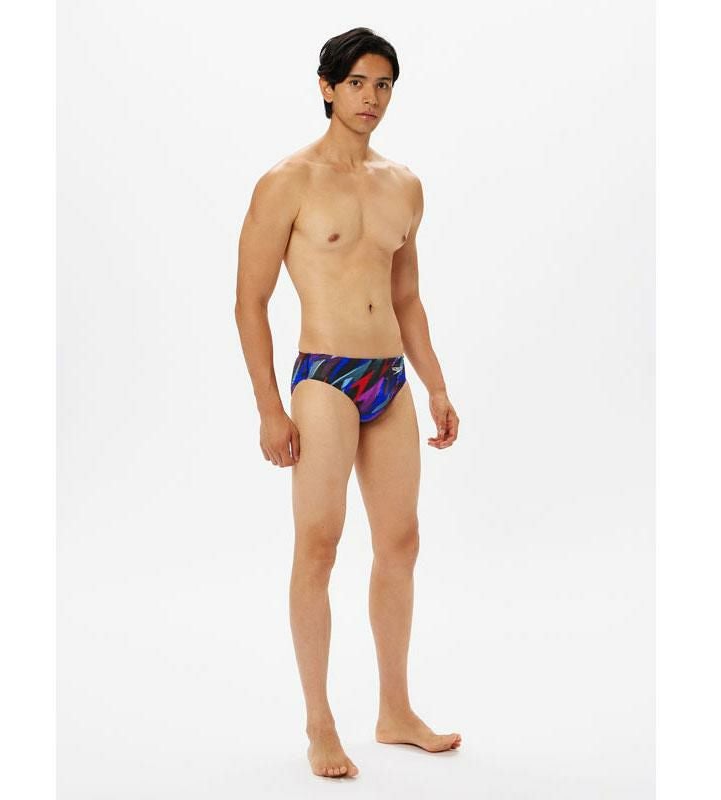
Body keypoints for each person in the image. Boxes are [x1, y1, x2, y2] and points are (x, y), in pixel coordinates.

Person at [235, 27, 461, 779]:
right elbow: (249, 300)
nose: (372, 98)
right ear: (327, 87)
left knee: (401, 542)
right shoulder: (287, 181)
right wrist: (270, 407)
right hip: (324, 377)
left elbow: (408, 297)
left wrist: (435, 384)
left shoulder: (404, 184)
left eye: (384, 84)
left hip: (389, 377)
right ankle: (319, 723)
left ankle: (395, 710)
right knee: (320, 544)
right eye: (358, 83)